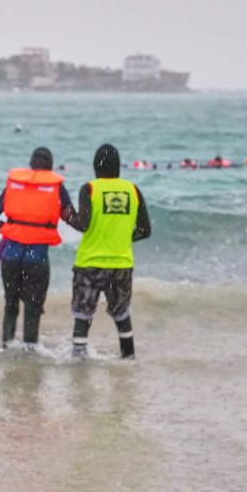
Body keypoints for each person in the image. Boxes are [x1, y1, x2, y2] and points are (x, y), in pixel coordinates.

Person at [0, 146, 75, 348]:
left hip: (10, 258)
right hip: (37, 260)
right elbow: (70, 217)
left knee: (10, 305)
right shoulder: (56, 187)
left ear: (30, 165)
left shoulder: (14, 185)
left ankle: (6, 346)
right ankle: (29, 353)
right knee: (33, 310)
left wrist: (10, 227)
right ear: (51, 167)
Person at [66, 144, 150, 359]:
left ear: (95, 166)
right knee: (122, 315)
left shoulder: (90, 189)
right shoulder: (133, 190)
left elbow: (83, 224)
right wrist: (123, 239)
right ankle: (129, 358)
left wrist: (65, 215)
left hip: (89, 264)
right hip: (121, 264)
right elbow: (144, 230)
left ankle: (78, 361)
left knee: (83, 316)